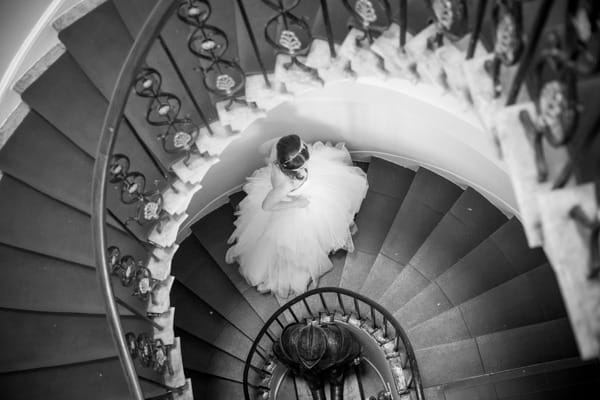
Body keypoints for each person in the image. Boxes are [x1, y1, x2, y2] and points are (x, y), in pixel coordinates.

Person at [225, 135, 368, 298]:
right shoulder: (284, 184)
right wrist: (296, 203)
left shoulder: (287, 156)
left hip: (308, 192)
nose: (307, 153)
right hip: (295, 207)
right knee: (300, 243)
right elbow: (267, 206)